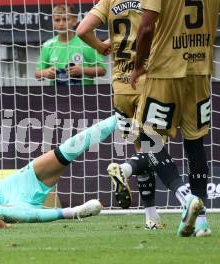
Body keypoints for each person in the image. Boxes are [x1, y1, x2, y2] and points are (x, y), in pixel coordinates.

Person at [107, 0, 219, 237]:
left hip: (165, 70)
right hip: (200, 71)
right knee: (195, 144)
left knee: (148, 138)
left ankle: (184, 197)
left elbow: (146, 28)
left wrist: (137, 67)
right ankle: (201, 223)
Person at [76, 0, 164, 230]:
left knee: (142, 149)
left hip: (121, 87)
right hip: (149, 80)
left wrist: (100, 46)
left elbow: (82, 30)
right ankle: (124, 170)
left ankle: (151, 218)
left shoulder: (109, 1)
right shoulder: (151, 1)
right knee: (156, 150)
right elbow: (150, 29)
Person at [35, 4, 106, 87]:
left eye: (65, 19)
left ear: (75, 21)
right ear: (53, 22)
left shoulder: (86, 42)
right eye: (57, 20)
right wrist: (46, 73)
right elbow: (37, 74)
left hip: (84, 96)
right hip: (57, 97)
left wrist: (82, 70)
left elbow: (102, 70)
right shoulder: (48, 45)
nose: (61, 24)